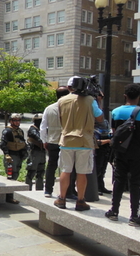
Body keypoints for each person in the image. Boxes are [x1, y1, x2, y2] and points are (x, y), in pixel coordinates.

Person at [105, 84, 140, 227]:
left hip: (120, 153)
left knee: (119, 181)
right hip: (138, 154)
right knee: (136, 184)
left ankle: (114, 211)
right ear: (139, 97)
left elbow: (115, 133)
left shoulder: (116, 112)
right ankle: (134, 216)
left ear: (125, 96)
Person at [54, 76, 103, 211]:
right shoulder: (90, 101)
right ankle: (81, 201)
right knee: (82, 173)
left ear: (71, 87)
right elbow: (100, 118)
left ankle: (61, 198)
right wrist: (98, 102)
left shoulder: (62, 100)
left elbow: (60, 117)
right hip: (84, 141)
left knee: (65, 170)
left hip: (67, 140)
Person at [40, 86, 70, 198]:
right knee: (67, 167)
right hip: (67, 141)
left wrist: (44, 140)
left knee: (52, 165)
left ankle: (48, 190)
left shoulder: (49, 108)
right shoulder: (70, 108)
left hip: (52, 140)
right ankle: (67, 191)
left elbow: (43, 127)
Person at [0, 113, 28, 204]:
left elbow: (22, 142)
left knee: (16, 174)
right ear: (11, 121)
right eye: (15, 120)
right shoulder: (7, 131)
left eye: (19, 120)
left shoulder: (20, 131)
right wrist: (7, 154)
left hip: (18, 155)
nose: (17, 122)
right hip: (11, 156)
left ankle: (11, 195)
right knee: (11, 176)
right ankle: (9, 196)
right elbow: (3, 144)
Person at [26, 113, 46, 191]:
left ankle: (40, 189)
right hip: (34, 152)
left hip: (42, 152)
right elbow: (39, 138)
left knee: (41, 173)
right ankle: (28, 189)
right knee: (31, 171)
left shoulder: (43, 129)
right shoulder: (32, 129)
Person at [94, 119, 112, 195]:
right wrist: (108, 141)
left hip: (105, 150)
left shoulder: (106, 130)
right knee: (97, 169)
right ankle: (95, 187)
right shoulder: (95, 130)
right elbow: (97, 142)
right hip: (98, 151)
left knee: (102, 170)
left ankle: (101, 186)